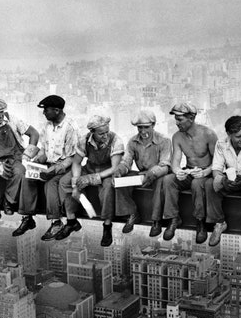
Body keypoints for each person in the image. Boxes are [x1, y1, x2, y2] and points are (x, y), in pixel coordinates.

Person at [12, 95, 78, 240]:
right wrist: (36, 162)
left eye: (46, 110)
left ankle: (56, 222)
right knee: (27, 177)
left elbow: (71, 157)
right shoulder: (47, 126)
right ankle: (27, 217)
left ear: (56, 110)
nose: (44, 113)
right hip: (49, 164)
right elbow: (44, 150)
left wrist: (54, 170)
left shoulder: (70, 128)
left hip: (64, 167)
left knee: (50, 183)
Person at [57, 114, 124, 247]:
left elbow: (114, 167)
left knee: (108, 188)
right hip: (90, 167)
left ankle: (107, 225)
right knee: (65, 182)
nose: (105, 136)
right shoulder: (84, 140)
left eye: (107, 132)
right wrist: (76, 183)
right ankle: (71, 220)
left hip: (107, 171)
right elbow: (76, 163)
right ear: (92, 132)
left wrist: (91, 179)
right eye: (101, 134)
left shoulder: (116, 141)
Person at [205, 115, 241, 251]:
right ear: (229, 134)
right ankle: (219, 223)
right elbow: (216, 169)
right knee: (210, 185)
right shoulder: (221, 144)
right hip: (230, 180)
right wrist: (223, 181)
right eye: (239, 137)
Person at [161, 102, 218, 243]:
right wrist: (178, 171)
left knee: (197, 184)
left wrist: (205, 172)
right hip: (190, 171)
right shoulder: (177, 137)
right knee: (168, 180)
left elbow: (218, 162)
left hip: (206, 173)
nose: (176, 123)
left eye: (180, 119)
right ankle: (173, 218)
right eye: (175, 119)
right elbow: (175, 161)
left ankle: (200, 222)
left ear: (191, 119)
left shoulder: (209, 134)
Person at [112, 109, 171, 236]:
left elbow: (165, 165)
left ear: (153, 125)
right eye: (140, 128)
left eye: (146, 127)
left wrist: (152, 173)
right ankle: (132, 213)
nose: (143, 131)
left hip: (158, 173)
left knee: (160, 182)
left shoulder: (164, 140)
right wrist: (120, 170)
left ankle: (156, 220)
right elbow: (127, 160)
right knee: (120, 182)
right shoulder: (133, 141)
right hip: (142, 174)